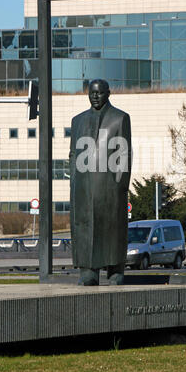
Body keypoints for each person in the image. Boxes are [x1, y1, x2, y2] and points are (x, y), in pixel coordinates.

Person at [69, 79, 132, 285]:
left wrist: (119, 186)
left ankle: (115, 269)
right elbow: (72, 155)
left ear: (108, 93)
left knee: (112, 228)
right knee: (85, 228)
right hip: (83, 187)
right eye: (92, 93)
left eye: (100, 93)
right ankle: (88, 270)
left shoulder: (120, 118)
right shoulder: (77, 120)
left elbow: (124, 155)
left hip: (110, 188)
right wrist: (74, 183)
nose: (95, 97)